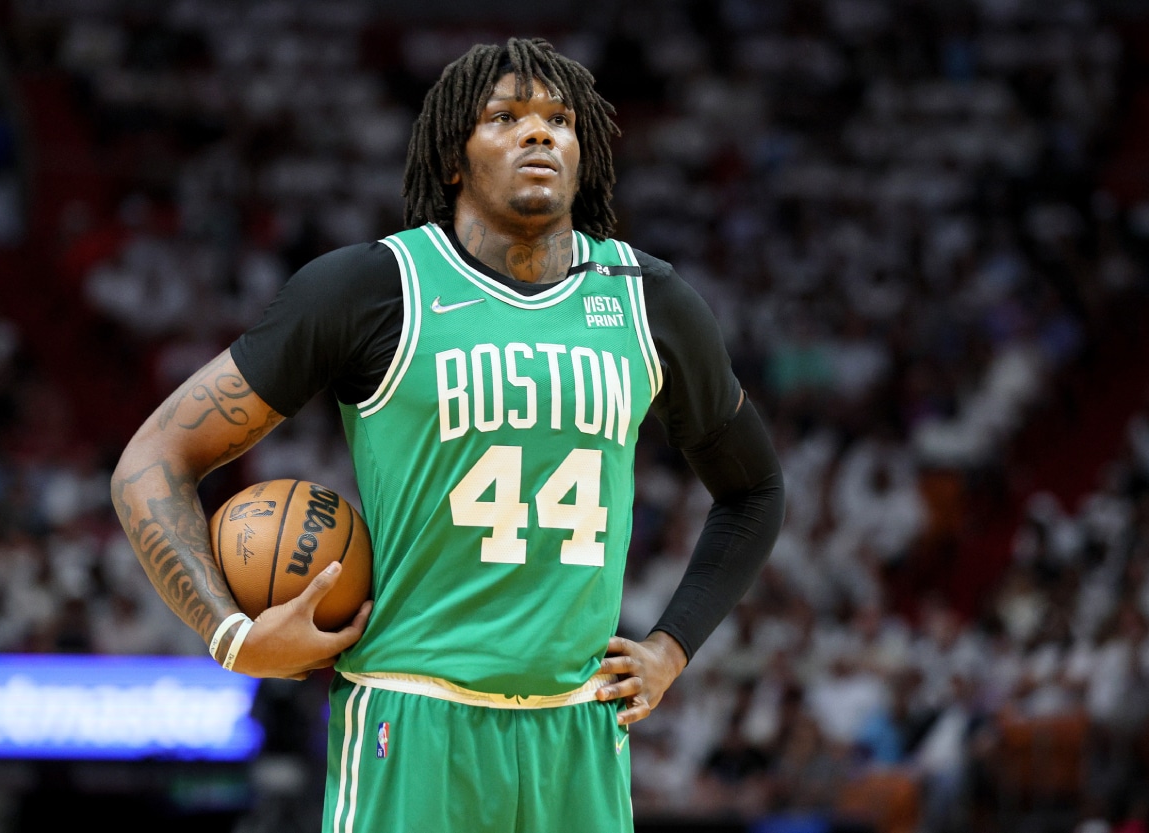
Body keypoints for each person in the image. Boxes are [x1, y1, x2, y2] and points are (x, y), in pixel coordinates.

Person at [111, 37, 784, 833]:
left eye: (559, 120)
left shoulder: (649, 301)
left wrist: (672, 646)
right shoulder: (371, 289)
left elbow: (755, 489)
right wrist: (231, 635)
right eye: (506, 117)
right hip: (413, 719)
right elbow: (153, 458)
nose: (540, 133)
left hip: (578, 732)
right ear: (453, 158)